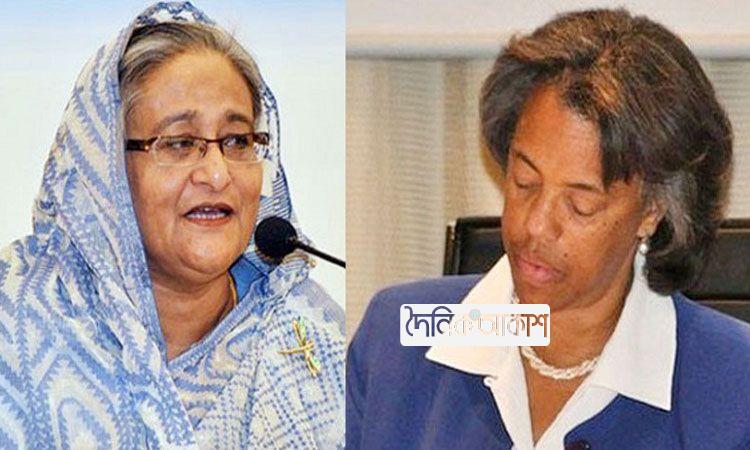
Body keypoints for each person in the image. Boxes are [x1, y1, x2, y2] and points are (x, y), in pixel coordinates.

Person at [347, 8, 750, 450]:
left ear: (652, 211)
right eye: (524, 182)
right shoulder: (401, 335)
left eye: (580, 205)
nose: (534, 225)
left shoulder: (734, 385)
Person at [0, 2, 344, 449]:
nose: (217, 174)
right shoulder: (15, 320)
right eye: (180, 143)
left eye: (237, 140)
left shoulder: (316, 341)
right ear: (105, 170)